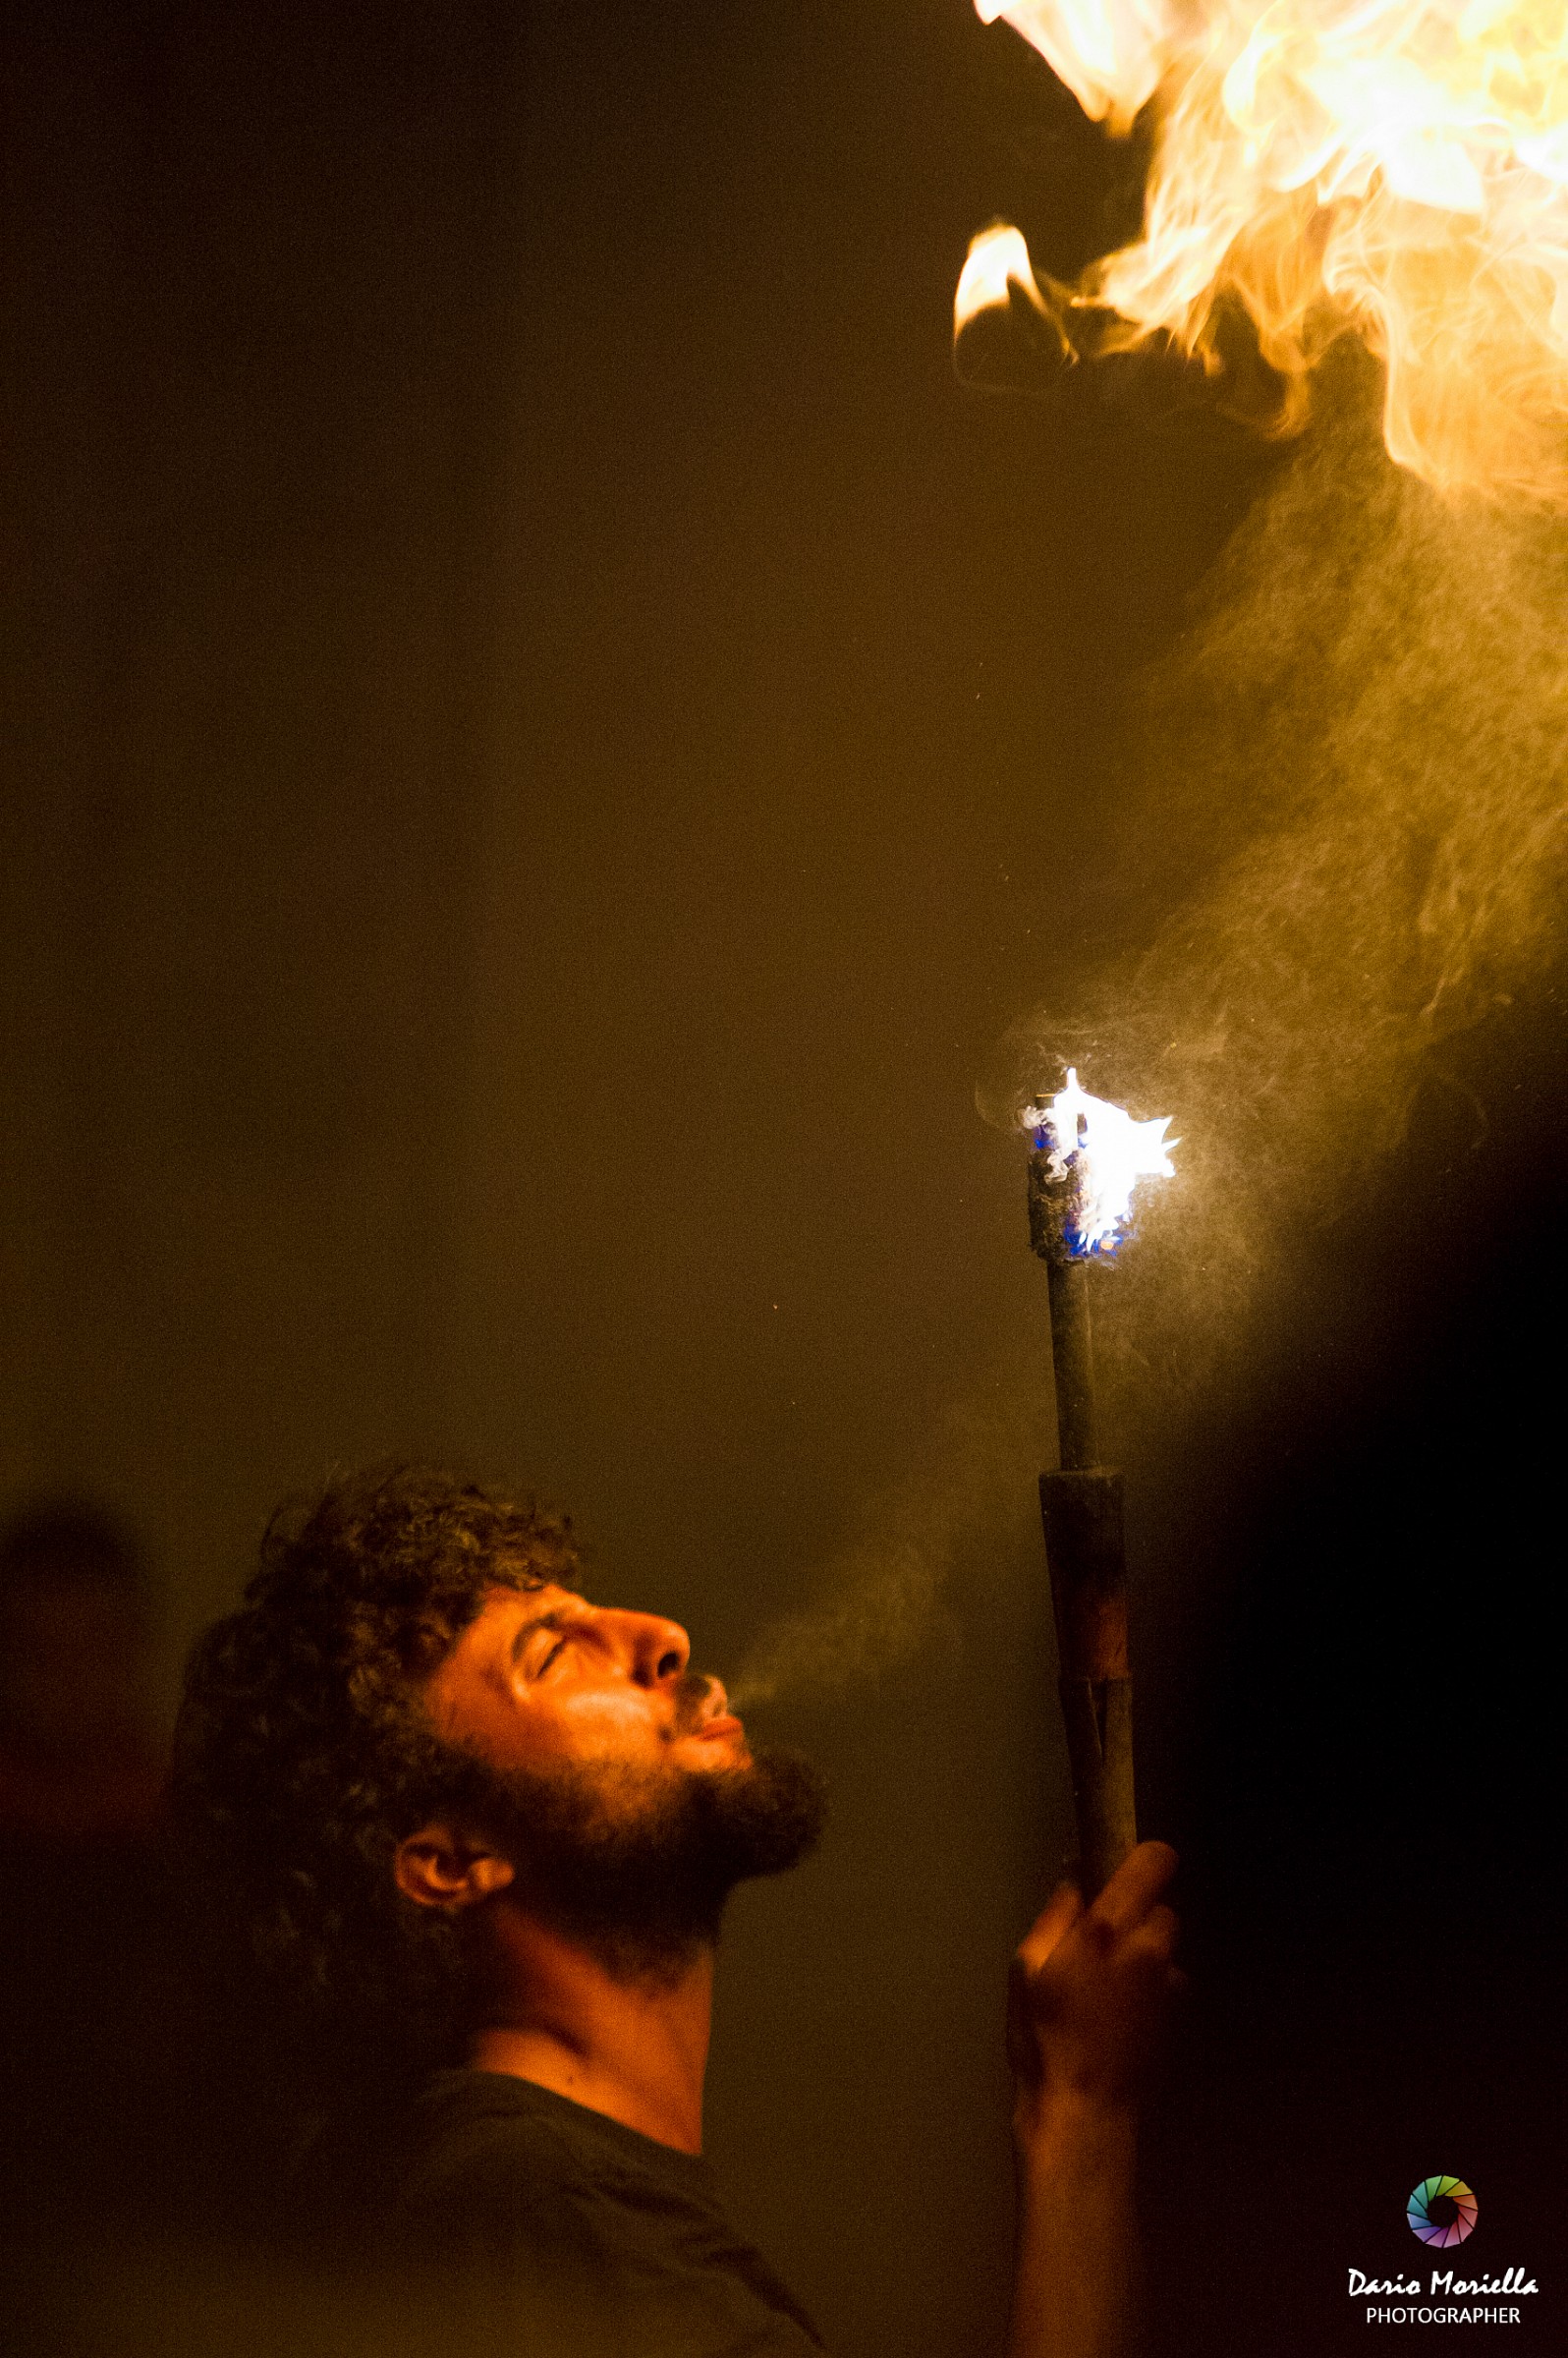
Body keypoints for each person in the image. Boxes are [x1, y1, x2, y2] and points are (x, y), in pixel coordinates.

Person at [173, 1466, 1180, 2358]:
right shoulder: (549, 2222)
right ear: (451, 1861)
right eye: (553, 1655)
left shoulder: (479, 2191)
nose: (661, 1638)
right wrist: (1080, 2117)